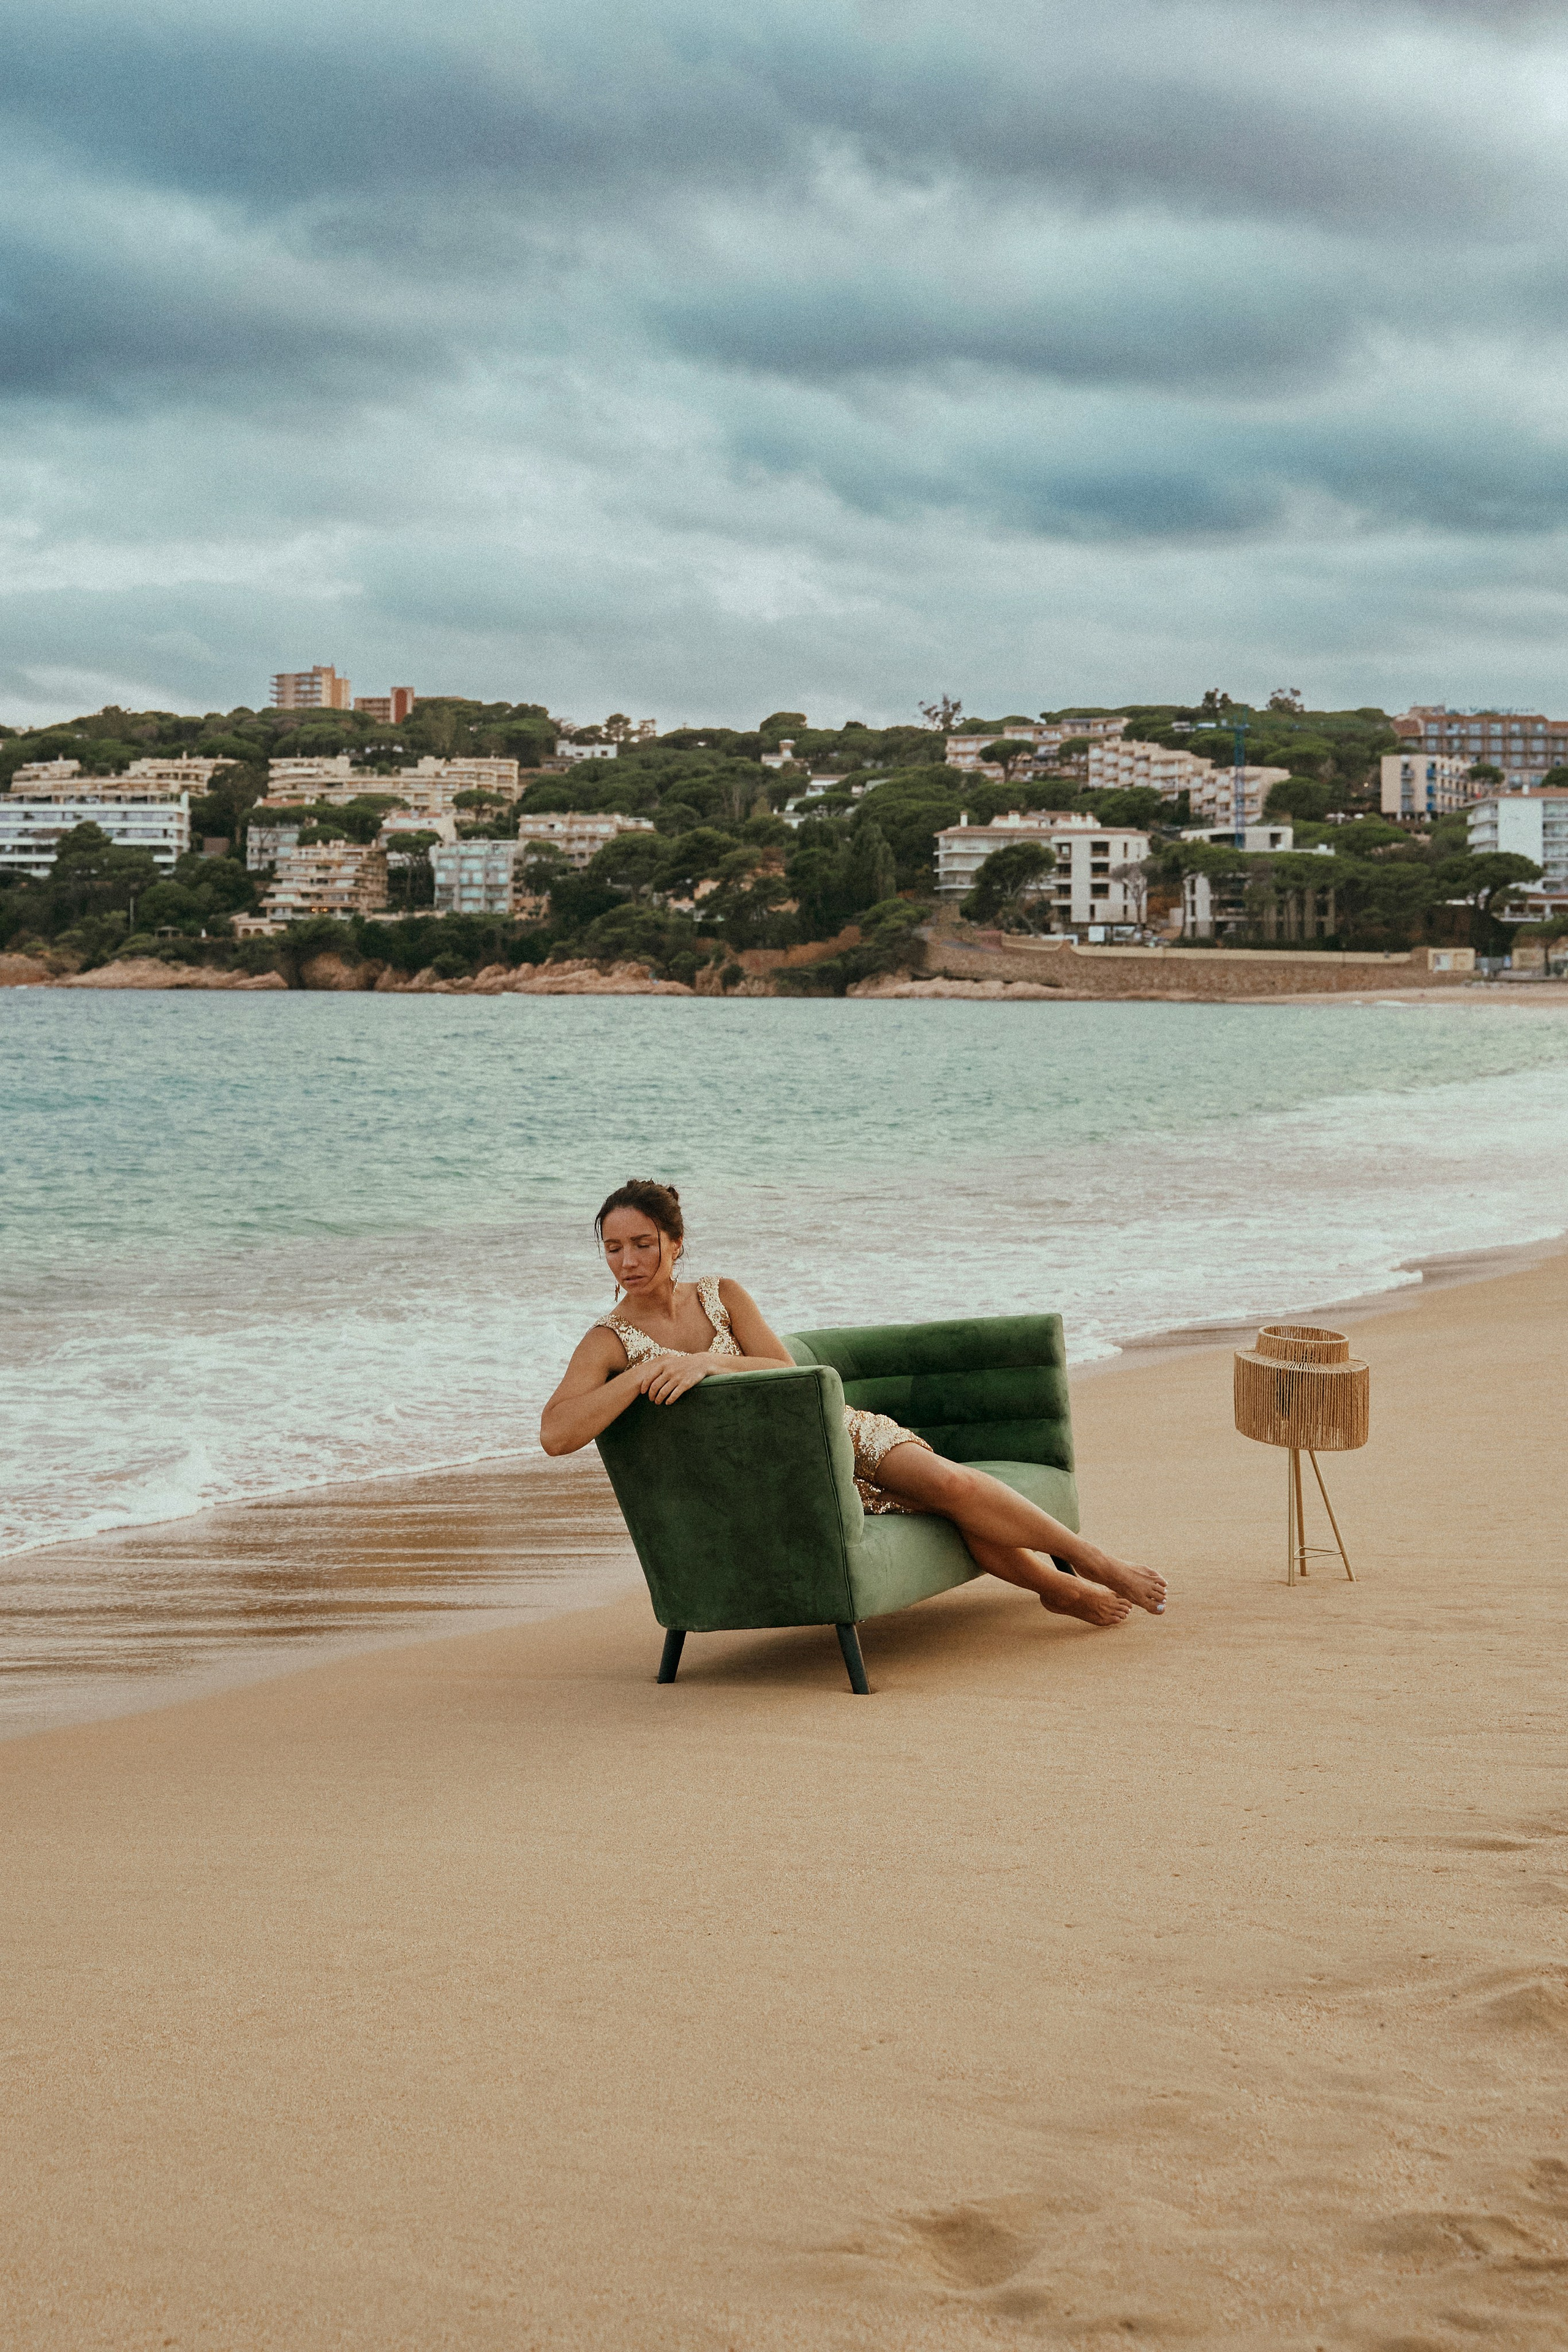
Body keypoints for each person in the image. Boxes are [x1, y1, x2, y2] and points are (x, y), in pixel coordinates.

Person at [541, 1179, 1166, 1628]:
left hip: (834, 1429)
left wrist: (704, 1361)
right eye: (613, 1247)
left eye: (642, 1244)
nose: (628, 1261)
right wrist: (632, 1379)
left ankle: (1093, 1563)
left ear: (675, 1243)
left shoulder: (720, 1294)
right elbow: (556, 1434)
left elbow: (785, 1371)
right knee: (946, 1510)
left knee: (952, 1486)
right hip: (782, 1478)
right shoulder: (608, 1341)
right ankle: (1055, 1588)